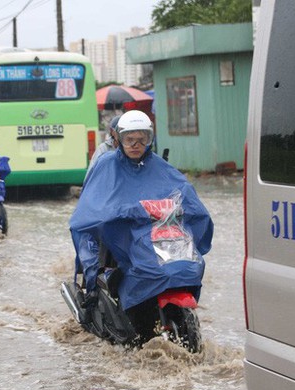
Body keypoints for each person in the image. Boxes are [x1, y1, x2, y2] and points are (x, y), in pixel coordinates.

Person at [69, 110, 214, 324]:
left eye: (141, 139)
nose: (135, 145)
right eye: (129, 140)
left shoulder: (161, 167)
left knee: (186, 262)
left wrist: (180, 208)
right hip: (121, 232)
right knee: (94, 244)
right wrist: (125, 212)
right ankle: (93, 293)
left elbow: (184, 193)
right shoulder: (106, 165)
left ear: (150, 139)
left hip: (154, 234)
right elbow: (92, 206)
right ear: (119, 139)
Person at [85, 115, 120, 179]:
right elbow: (91, 172)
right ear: (112, 132)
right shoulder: (103, 148)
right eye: (118, 131)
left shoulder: (131, 148)